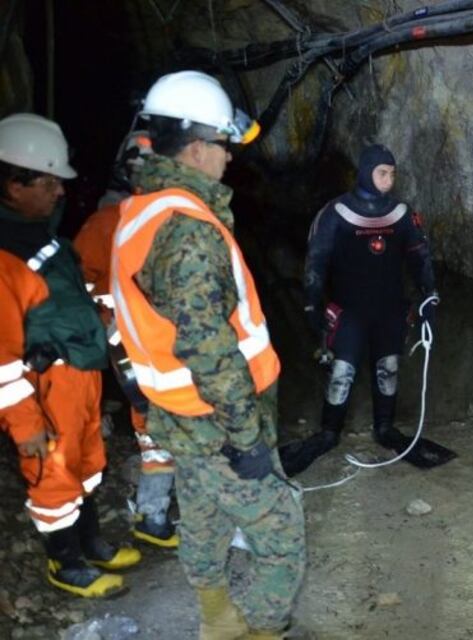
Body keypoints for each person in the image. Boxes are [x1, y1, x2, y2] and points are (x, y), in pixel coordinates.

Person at [110, 70, 305, 639]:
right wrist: (247, 440)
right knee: (281, 531)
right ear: (196, 148)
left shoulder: (140, 211)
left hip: (181, 418)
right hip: (219, 423)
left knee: (203, 513)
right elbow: (210, 349)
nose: (228, 159)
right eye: (223, 146)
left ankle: (216, 620)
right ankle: (263, 631)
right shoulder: (189, 231)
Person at [0, 113, 141, 597]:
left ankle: (90, 543)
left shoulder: (45, 239)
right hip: (46, 387)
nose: (60, 192)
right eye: (49, 182)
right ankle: (65, 564)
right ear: (14, 185)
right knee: (54, 475)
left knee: (86, 463)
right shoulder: (4, 256)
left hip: (80, 377)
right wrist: (26, 424)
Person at [279, 143, 452, 476]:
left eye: (392, 174)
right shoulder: (336, 213)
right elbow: (315, 263)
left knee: (388, 368)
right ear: (366, 172)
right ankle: (329, 431)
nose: (388, 179)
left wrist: (429, 296)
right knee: (342, 374)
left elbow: (420, 257)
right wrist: (313, 306)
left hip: (389, 309)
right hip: (349, 311)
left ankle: (384, 428)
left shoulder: (401, 213)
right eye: (382, 173)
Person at [74, 131, 178, 548]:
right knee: (154, 423)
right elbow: (75, 283)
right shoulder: (106, 224)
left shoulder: (176, 219)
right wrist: (108, 318)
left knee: (181, 421)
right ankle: (152, 515)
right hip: (128, 341)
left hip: (170, 342)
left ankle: (176, 508)